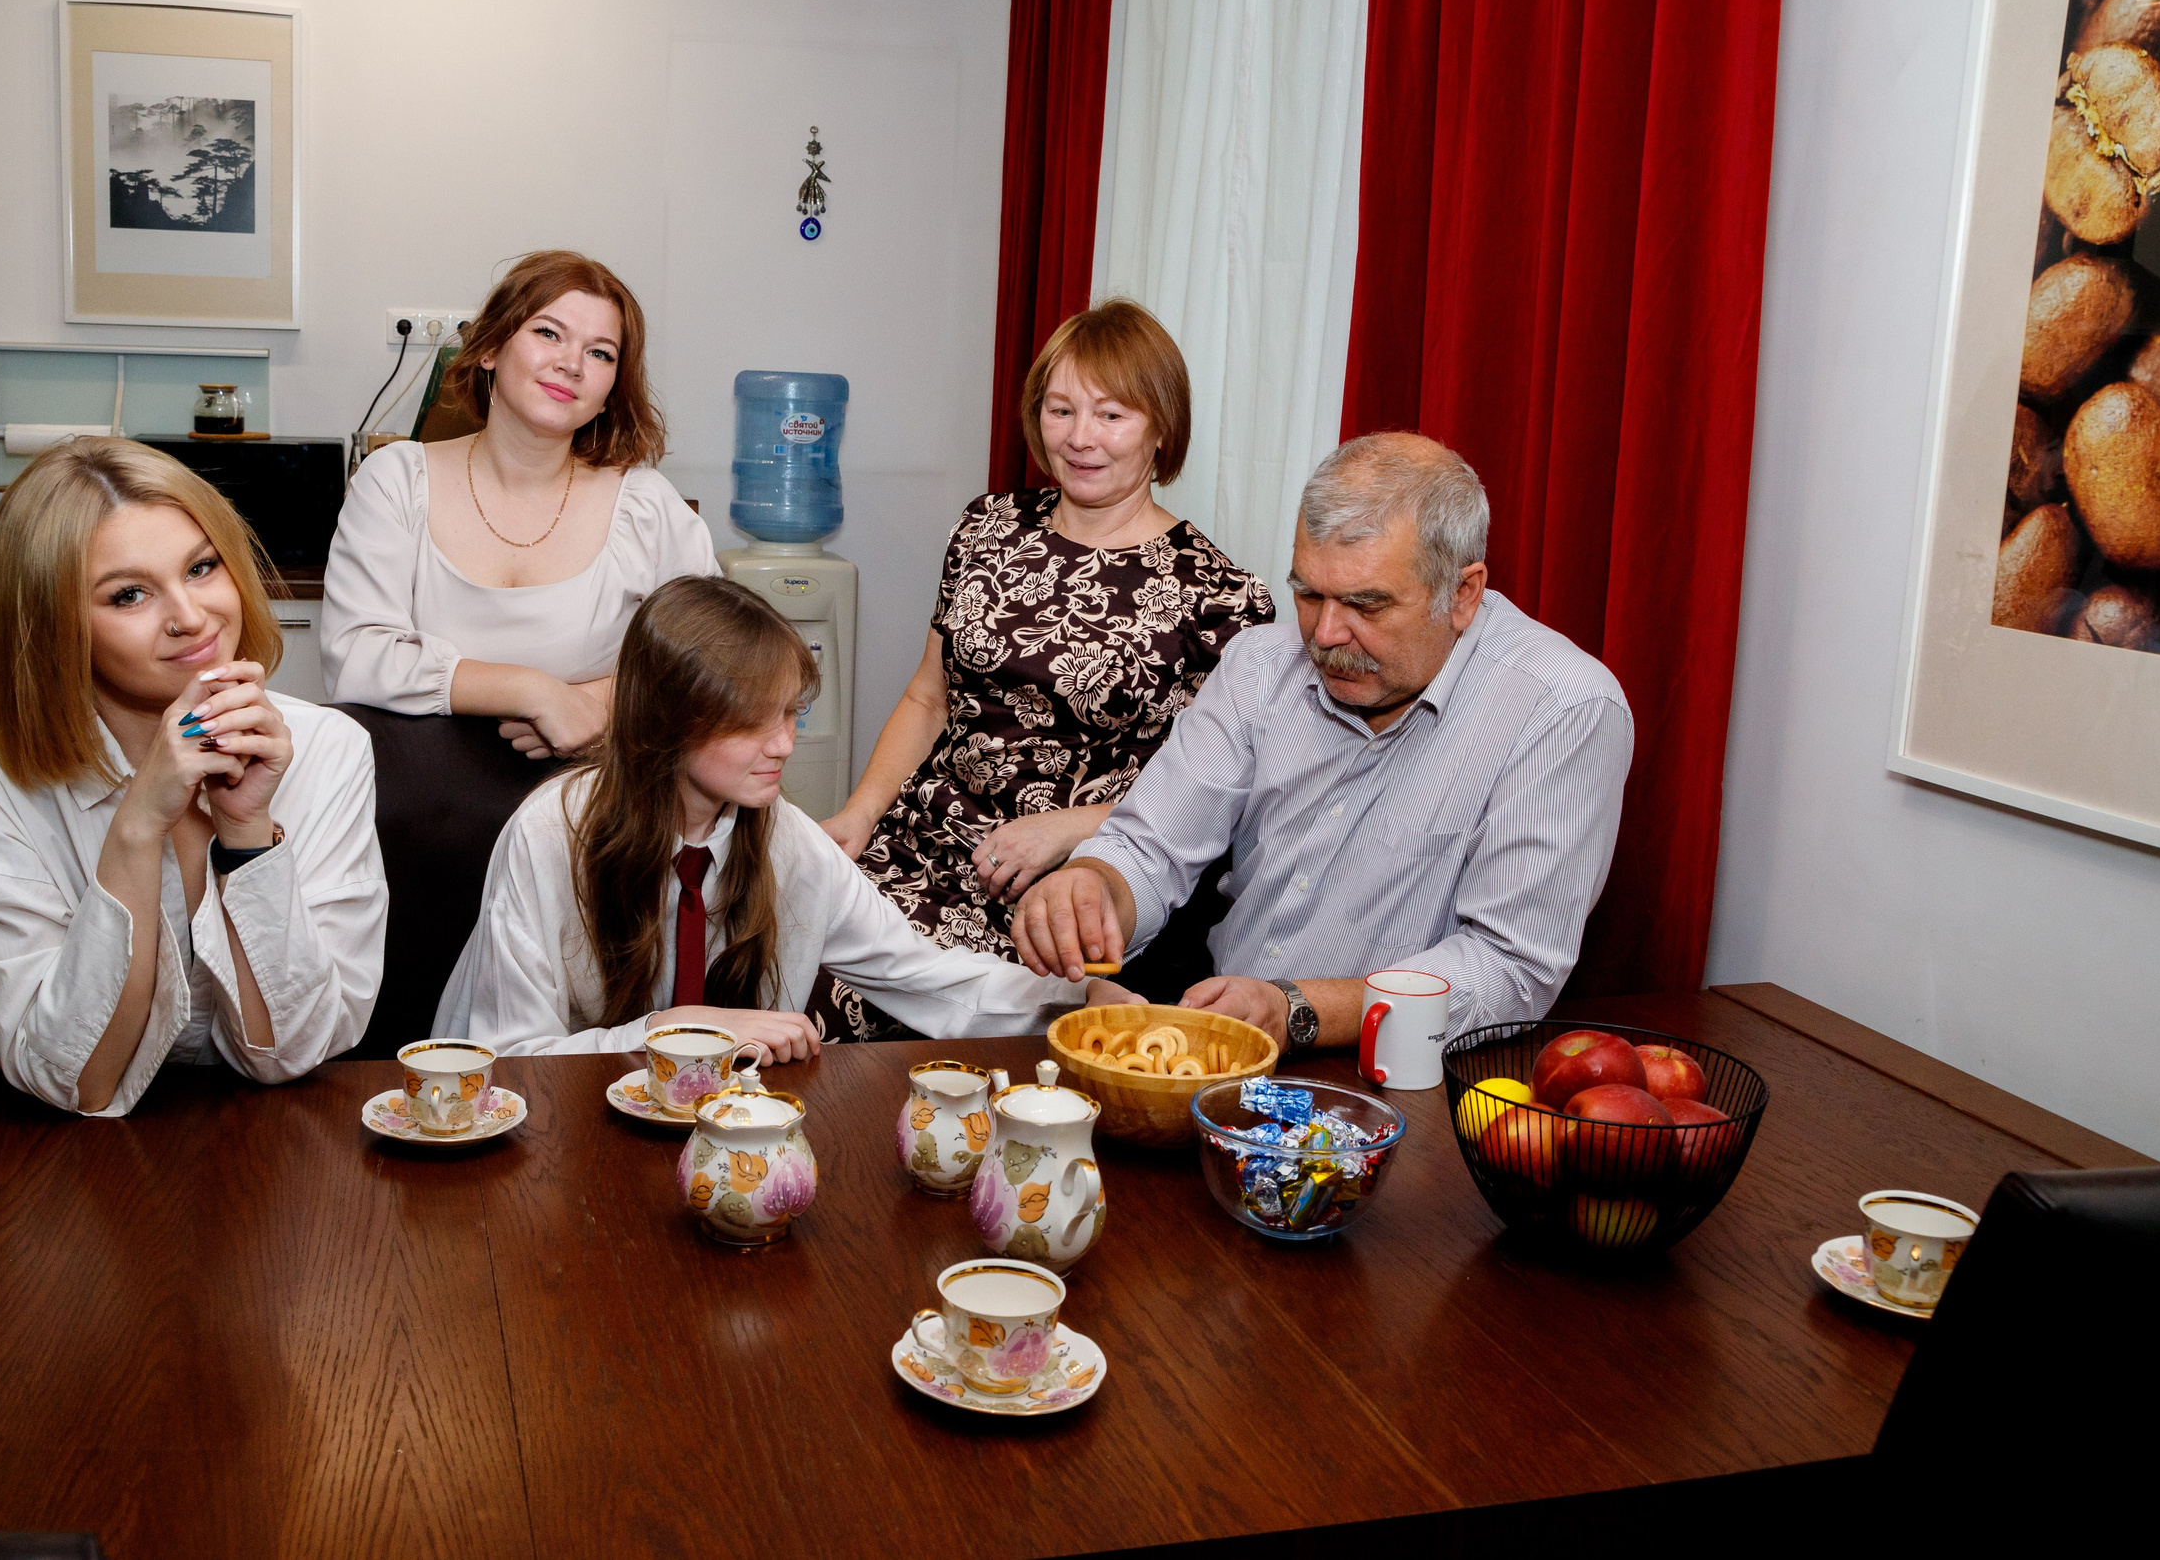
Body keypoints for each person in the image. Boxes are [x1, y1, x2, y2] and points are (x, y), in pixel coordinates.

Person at [1013, 432, 1632, 1053]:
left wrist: (1299, 1010)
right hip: (1224, 1046)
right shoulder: (1261, 665)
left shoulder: (1562, 708)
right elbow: (1150, 848)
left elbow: (1510, 966)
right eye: (1308, 593)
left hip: (1411, 1074)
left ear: (1463, 594)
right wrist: (1094, 887)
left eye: (1366, 604)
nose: (1326, 634)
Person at [814, 301, 1271, 1036]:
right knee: (798, 982)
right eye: (1061, 409)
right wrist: (860, 814)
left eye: (1111, 415)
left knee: (929, 1056)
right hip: (920, 844)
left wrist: (1069, 829)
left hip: (1063, 891)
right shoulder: (987, 527)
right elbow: (928, 700)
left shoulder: (1221, 598)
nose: (1080, 438)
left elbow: (1221, 800)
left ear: (1162, 426)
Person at [431, 577, 1116, 1056]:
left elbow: (931, 980)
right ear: (670, 718)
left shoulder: (786, 841)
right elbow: (510, 1059)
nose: (785, 743)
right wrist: (677, 1032)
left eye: (790, 712)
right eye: (753, 721)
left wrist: (1082, 1002)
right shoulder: (552, 834)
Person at [0, 438, 386, 1116]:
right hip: (32, 1146)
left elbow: (293, 1051)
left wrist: (246, 831)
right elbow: (75, 1080)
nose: (190, 617)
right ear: (51, 624)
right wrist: (137, 826)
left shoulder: (329, 747)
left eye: (201, 567)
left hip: (256, 1138)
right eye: (128, 594)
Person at [321, 249, 719, 757]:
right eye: (548, 333)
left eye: (600, 353)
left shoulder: (646, 506)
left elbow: (715, 659)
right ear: (490, 348)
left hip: (594, 812)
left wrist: (598, 706)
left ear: (609, 393)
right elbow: (354, 657)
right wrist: (533, 692)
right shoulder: (397, 479)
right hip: (414, 807)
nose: (571, 364)